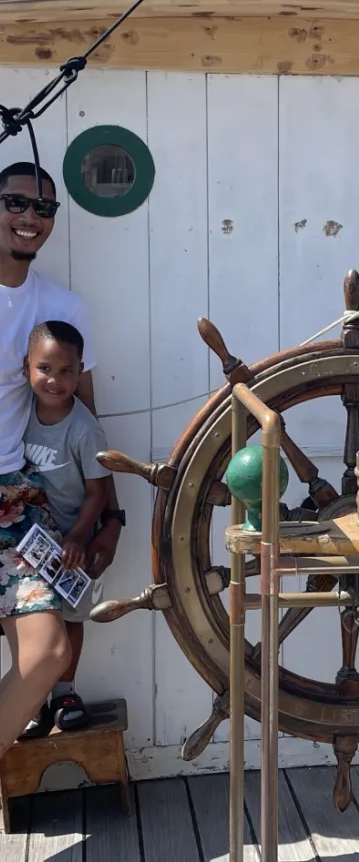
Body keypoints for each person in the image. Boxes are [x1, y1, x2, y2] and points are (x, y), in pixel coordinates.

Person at [0, 162, 123, 761]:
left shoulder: (61, 307)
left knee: (47, 651)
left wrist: (112, 516)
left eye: (43, 209)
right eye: (16, 202)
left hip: (17, 498)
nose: (30, 218)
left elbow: (87, 416)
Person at [19, 320, 110, 735]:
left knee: (72, 617)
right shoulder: (18, 415)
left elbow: (97, 492)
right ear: (26, 368)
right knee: (34, 616)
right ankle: (34, 696)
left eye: (67, 371)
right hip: (30, 541)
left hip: (74, 543)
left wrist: (78, 537)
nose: (55, 380)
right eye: (45, 369)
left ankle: (66, 693)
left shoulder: (84, 429)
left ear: (80, 371)